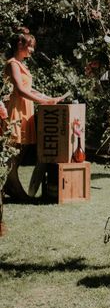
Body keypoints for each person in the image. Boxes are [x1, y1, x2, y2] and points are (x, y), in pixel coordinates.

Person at [3, 28, 65, 200]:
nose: (32, 50)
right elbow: (21, 90)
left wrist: (49, 98)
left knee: (19, 154)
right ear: (19, 44)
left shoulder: (22, 65)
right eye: (29, 46)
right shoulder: (12, 64)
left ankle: (11, 187)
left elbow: (31, 89)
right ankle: (15, 189)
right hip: (16, 110)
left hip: (25, 111)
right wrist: (43, 101)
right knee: (12, 154)